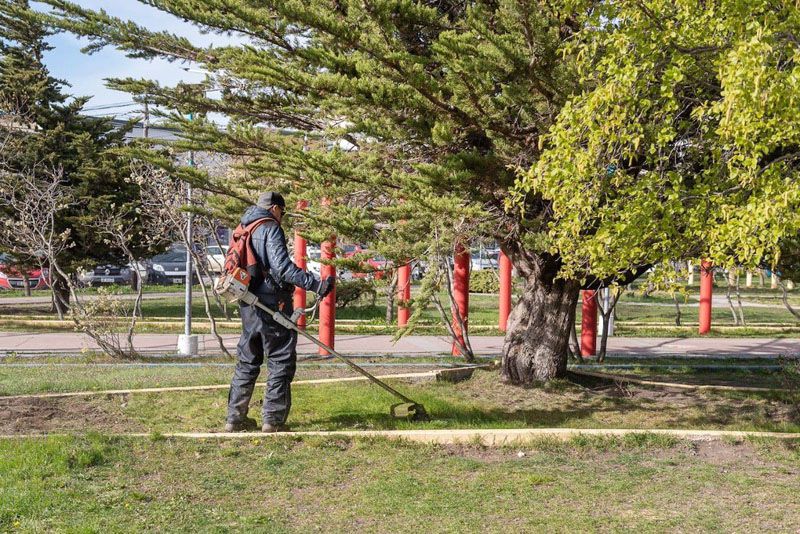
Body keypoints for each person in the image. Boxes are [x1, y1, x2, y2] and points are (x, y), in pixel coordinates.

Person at [225, 192, 334, 432]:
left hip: (247, 300)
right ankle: (272, 420)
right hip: (272, 302)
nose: (282, 218)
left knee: (248, 358)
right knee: (280, 358)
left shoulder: (243, 226)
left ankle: (235, 418)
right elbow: (282, 268)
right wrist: (315, 284)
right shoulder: (269, 228)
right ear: (274, 208)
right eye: (282, 213)